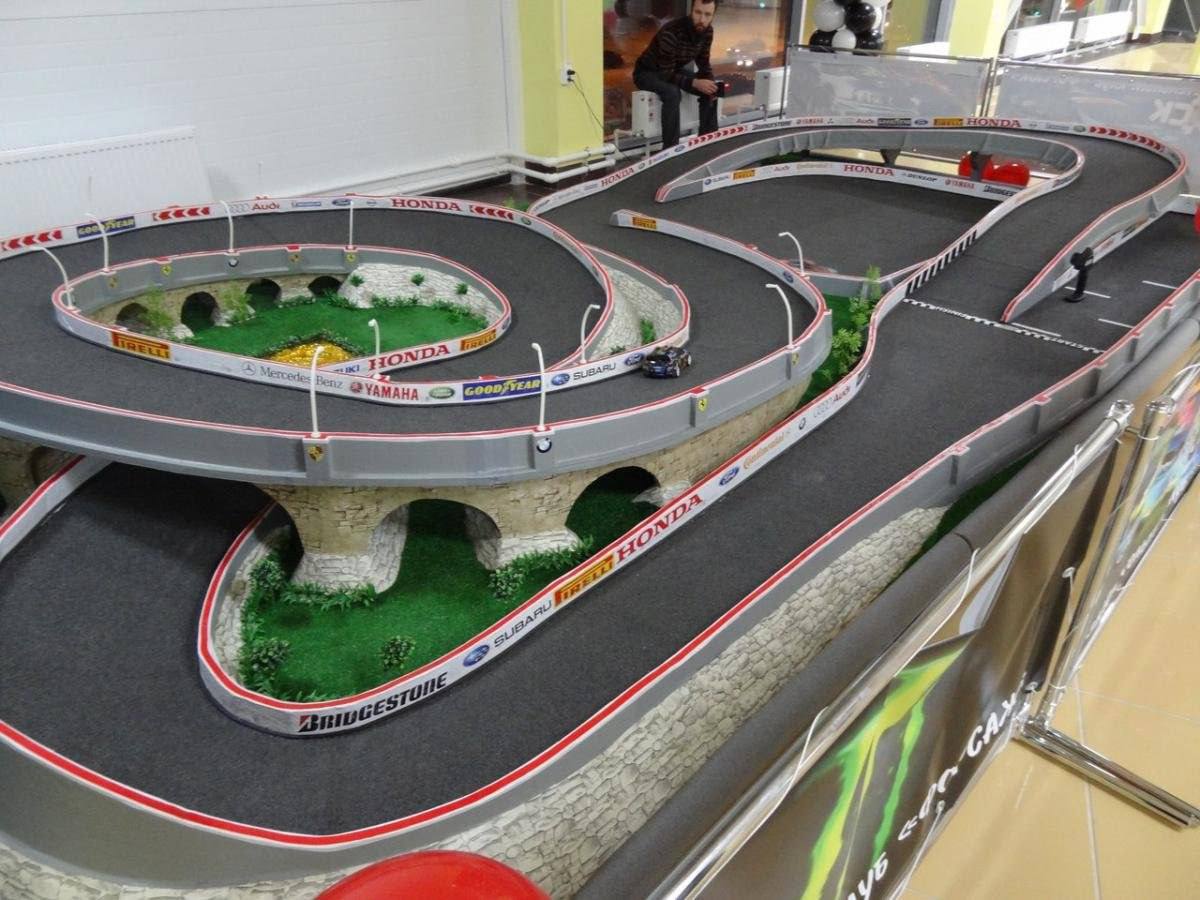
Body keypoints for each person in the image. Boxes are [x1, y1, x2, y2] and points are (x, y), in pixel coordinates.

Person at [633, 0, 720, 149]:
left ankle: (707, 142)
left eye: (707, 15)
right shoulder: (672, 31)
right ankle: (671, 149)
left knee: (712, 89)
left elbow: (704, 63)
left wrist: (710, 83)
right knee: (672, 93)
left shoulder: (708, 32)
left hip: (672, 69)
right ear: (691, 11)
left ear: (713, 16)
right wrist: (694, 83)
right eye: (698, 13)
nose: (702, 19)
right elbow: (666, 74)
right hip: (647, 72)